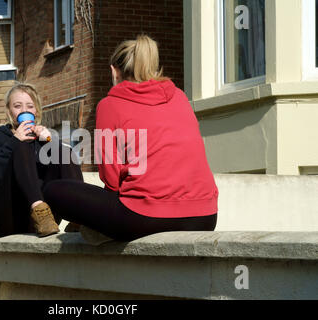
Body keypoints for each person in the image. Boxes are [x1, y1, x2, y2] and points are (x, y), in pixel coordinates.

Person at [41, 35, 219, 242]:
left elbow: (111, 178)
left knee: (54, 190)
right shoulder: (179, 96)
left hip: (145, 218)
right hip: (205, 217)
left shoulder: (110, 104)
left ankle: (99, 229)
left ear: (114, 71)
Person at [0, 82, 83, 237]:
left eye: (30, 106)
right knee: (21, 146)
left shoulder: (42, 139)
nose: (24, 110)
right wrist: (14, 142)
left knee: (64, 151)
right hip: (8, 215)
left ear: (36, 112)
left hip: (46, 222)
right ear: (9, 111)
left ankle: (78, 217)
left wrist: (50, 141)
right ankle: (39, 209)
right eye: (17, 106)